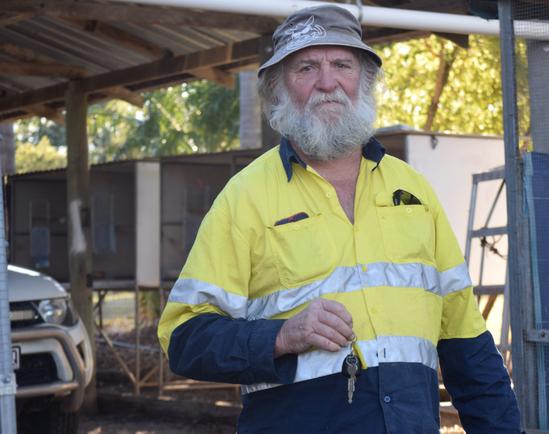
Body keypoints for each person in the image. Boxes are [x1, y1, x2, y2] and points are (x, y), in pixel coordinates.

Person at [157, 4, 521, 433]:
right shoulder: (245, 198)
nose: (327, 83)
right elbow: (183, 340)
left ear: (365, 81)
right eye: (306, 67)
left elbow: (469, 351)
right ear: (278, 89)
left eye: (342, 64)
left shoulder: (414, 193)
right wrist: (280, 337)